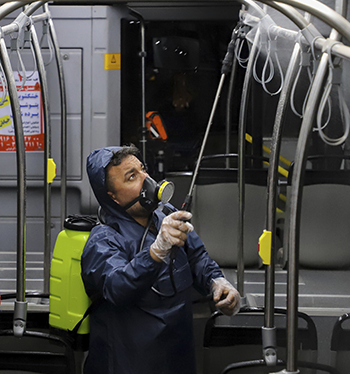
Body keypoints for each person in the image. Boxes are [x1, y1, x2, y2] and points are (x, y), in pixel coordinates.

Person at [80, 145, 240, 374]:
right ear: (113, 197)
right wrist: (156, 252)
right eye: (132, 177)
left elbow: (196, 257)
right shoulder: (103, 240)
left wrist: (217, 282)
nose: (147, 180)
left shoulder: (165, 215)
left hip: (178, 356)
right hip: (130, 362)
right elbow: (118, 287)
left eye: (143, 170)